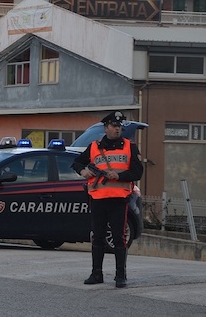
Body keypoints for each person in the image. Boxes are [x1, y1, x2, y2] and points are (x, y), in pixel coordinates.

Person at [72, 111, 143, 288]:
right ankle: (97, 274)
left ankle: (121, 276)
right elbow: (77, 162)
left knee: (119, 239)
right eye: (114, 126)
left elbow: (138, 172)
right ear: (106, 128)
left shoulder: (130, 147)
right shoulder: (94, 146)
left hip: (119, 200)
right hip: (98, 199)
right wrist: (83, 171)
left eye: (119, 126)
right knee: (97, 238)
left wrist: (119, 177)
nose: (117, 129)